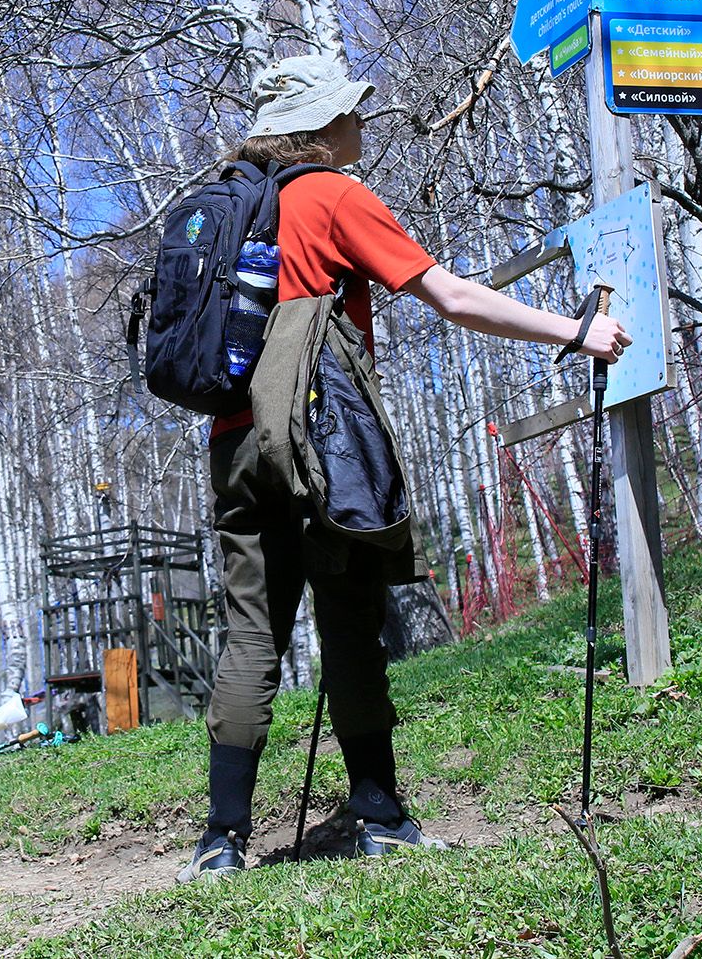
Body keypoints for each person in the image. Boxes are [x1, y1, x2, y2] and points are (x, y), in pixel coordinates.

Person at [179, 53, 629, 882]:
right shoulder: (331, 194)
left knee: (252, 632)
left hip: (234, 444)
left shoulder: (228, 204)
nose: (362, 122)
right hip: (315, 439)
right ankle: (380, 815)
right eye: (349, 112)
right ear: (316, 128)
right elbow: (451, 296)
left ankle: (220, 842)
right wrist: (573, 332)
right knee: (349, 618)